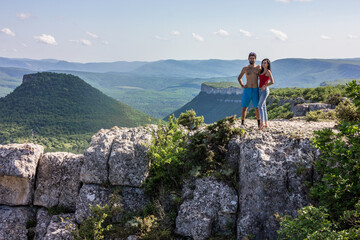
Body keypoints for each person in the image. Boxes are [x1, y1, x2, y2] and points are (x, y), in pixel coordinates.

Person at [238, 52, 261, 127]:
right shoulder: (245, 68)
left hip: (255, 89)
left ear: (255, 59)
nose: (251, 59)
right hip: (247, 90)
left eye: (253, 58)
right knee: (244, 107)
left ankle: (259, 123)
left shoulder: (258, 68)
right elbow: (239, 78)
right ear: (248, 59)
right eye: (250, 58)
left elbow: (263, 76)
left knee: (257, 108)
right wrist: (242, 85)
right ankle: (242, 123)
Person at [258, 58, 274, 130]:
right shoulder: (261, 71)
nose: (263, 64)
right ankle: (266, 123)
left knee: (260, 105)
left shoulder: (268, 71)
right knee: (263, 107)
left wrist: (265, 85)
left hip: (264, 90)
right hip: (259, 89)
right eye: (263, 63)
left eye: (265, 63)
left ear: (268, 64)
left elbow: (272, 82)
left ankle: (261, 123)